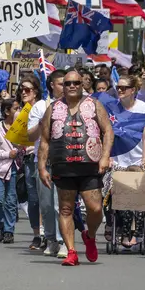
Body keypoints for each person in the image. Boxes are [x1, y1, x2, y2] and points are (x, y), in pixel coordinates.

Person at [38, 69, 114, 266]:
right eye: (68, 83)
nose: (72, 86)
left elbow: (108, 131)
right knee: (65, 209)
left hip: (89, 165)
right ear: (62, 86)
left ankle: (90, 234)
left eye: (76, 83)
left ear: (83, 85)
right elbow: (44, 140)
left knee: (95, 208)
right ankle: (71, 251)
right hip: (63, 166)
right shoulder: (53, 108)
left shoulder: (95, 105)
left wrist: (105, 156)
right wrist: (41, 167)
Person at [106, 75, 145, 248]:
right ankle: (123, 231)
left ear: (133, 90)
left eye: (124, 88)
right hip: (117, 159)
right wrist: (108, 156)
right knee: (120, 197)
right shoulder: (111, 108)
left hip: (137, 158)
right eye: (118, 87)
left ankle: (136, 233)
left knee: (138, 197)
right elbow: (107, 133)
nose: (119, 90)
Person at [27, 70, 67, 258]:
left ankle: (63, 241)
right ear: (52, 85)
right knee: (47, 205)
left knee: (62, 205)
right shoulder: (40, 106)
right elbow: (31, 135)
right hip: (44, 162)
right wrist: (45, 118)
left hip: (66, 162)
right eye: (61, 83)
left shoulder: (74, 106)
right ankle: (51, 239)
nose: (66, 87)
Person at [0, 99, 23, 245]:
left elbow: (26, 147)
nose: (18, 111)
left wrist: (20, 149)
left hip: (14, 168)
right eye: (15, 108)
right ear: (7, 111)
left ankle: (9, 231)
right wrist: (7, 154)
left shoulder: (22, 128)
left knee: (10, 201)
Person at [15, 77, 43, 250]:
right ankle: (37, 235)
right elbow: (17, 140)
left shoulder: (44, 107)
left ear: (36, 91)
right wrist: (24, 147)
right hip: (29, 160)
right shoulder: (20, 113)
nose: (23, 92)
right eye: (21, 89)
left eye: (27, 89)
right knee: (33, 199)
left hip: (44, 157)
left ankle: (49, 232)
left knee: (46, 198)